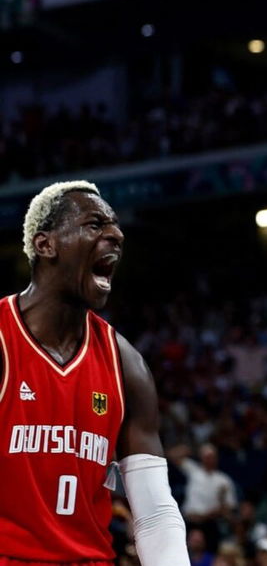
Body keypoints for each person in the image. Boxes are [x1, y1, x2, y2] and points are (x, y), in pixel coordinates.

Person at [0, 180, 188, 562]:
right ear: (45, 245)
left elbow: (154, 513)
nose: (116, 234)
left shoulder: (126, 364)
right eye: (94, 224)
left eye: (115, 225)